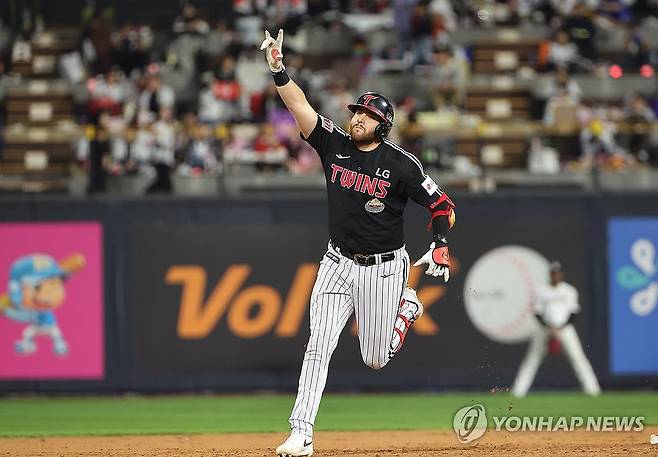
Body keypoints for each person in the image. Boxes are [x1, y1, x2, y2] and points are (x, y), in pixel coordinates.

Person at [260, 29, 456, 457]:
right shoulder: (334, 144)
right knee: (319, 344)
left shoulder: (400, 164)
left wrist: (439, 242)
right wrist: (278, 68)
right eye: (356, 112)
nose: (357, 118)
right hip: (337, 261)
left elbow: (442, 204)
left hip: (384, 268)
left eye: (366, 115)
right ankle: (302, 433)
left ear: (382, 124)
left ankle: (407, 307)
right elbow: (299, 105)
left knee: (376, 358)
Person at [511, 261, 601, 398]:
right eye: (553, 273)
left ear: (562, 274)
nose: (555, 276)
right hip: (545, 328)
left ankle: (592, 390)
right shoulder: (541, 291)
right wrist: (550, 327)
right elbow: (537, 312)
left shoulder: (569, 290)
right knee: (532, 359)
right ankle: (518, 392)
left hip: (565, 329)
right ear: (550, 274)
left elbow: (574, 313)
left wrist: (560, 328)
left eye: (558, 273)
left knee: (578, 358)